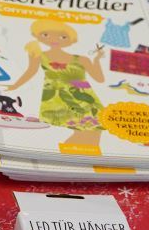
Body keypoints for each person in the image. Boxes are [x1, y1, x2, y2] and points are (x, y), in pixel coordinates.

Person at [7, 17, 107, 155]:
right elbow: (31, 71)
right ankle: (66, 160)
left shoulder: (83, 59)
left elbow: (99, 79)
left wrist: (97, 60)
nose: (54, 39)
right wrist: (14, 86)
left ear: (71, 39)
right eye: (46, 34)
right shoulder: (39, 55)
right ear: (38, 36)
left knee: (94, 133)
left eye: (63, 36)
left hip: (86, 99)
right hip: (56, 99)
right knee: (83, 134)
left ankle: (78, 161)